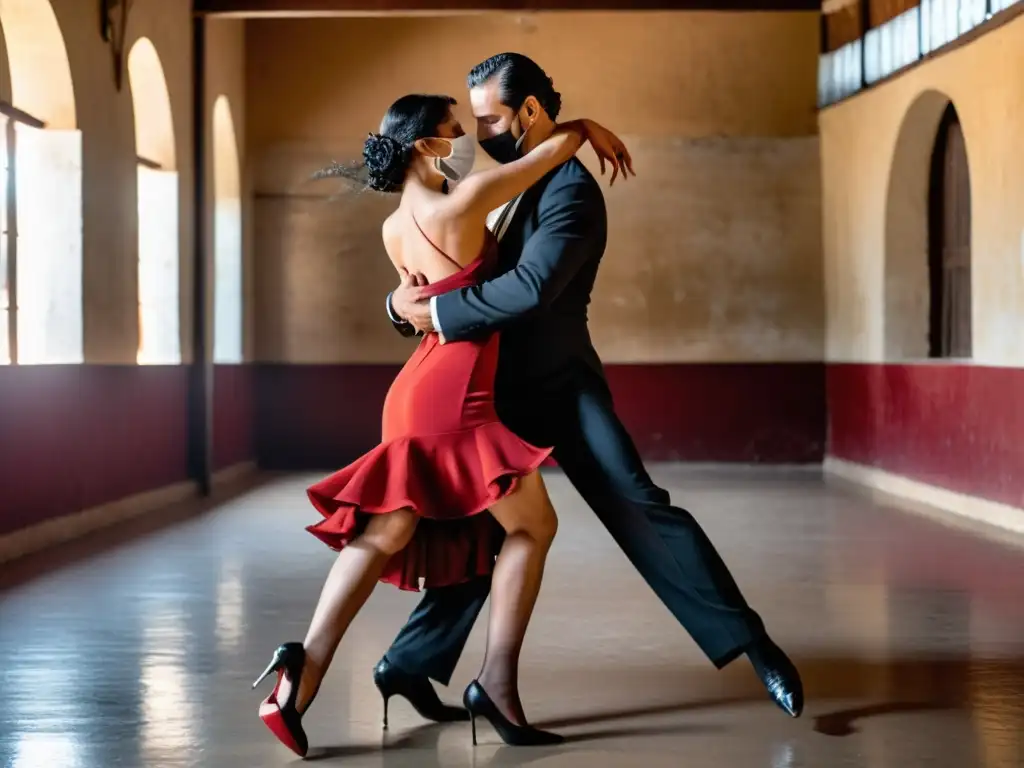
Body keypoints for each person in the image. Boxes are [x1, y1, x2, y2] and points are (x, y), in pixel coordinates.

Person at [383, 53, 804, 724]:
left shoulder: (572, 194)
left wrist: (430, 314)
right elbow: (444, 258)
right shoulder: (511, 175)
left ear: (526, 113)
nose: (478, 135)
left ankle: (755, 647)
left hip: (559, 387)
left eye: (489, 118)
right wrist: (397, 304)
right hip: (486, 391)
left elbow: (531, 290)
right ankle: (404, 665)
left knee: (642, 505)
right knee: (475, 528)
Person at [252, 92, 633, 758]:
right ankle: (497, 683)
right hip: (457, 394)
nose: (468, 139)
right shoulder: (463, 201)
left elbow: (411, 302)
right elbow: (550, 153)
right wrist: (586, 124)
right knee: (535, 527)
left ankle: (301, 671)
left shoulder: (393, 225)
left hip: (417, 386)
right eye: (457, 130)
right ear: (428, 145)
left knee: (387, 528)